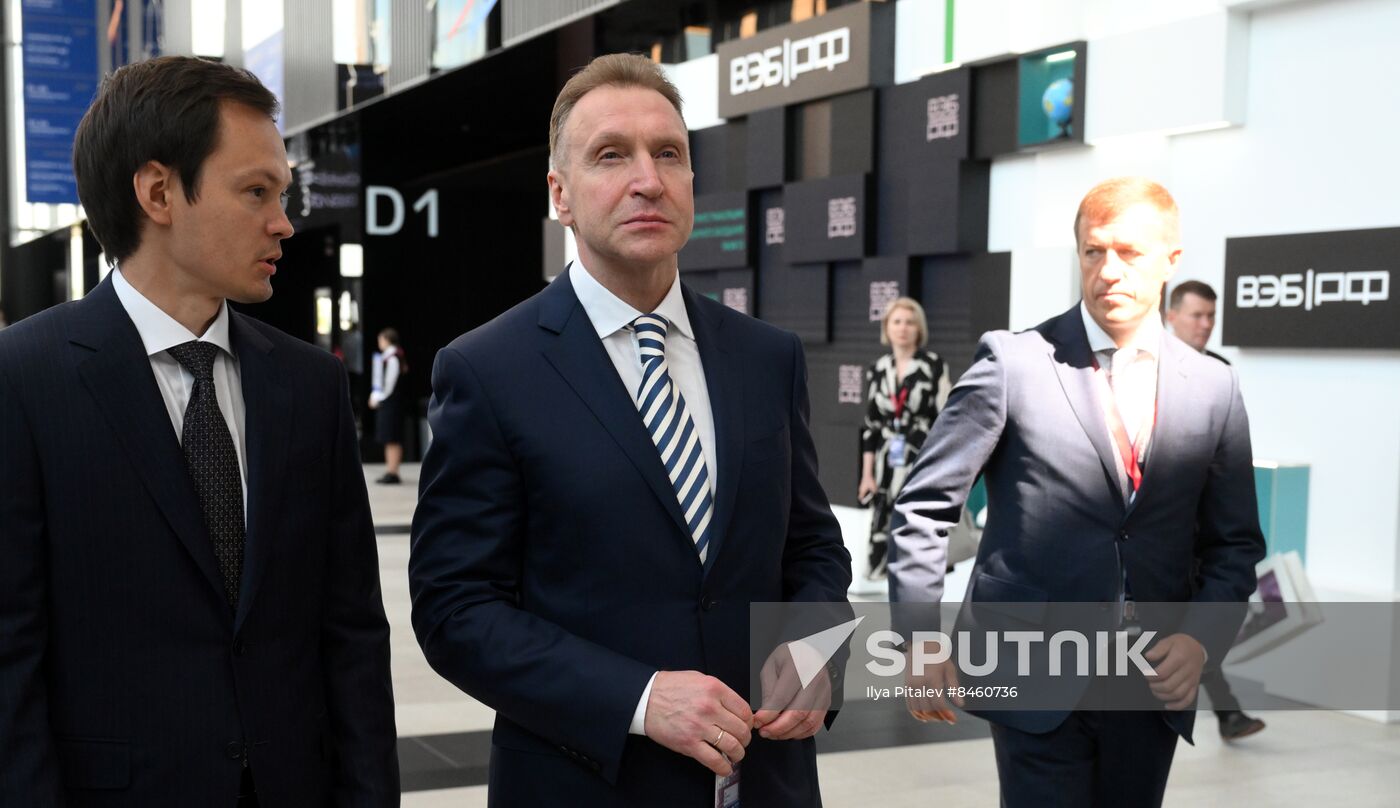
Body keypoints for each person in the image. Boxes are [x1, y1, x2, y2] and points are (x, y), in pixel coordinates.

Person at [408, 53, 851, 806]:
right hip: (585, 784)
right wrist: (639, 699)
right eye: (611, 155)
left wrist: (816, 647)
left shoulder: (765, 357)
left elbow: (810, 546)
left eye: (668, 154)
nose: (647, 178)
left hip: (769, 782)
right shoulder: (488, 370)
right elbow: (457, 610)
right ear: (561, 194)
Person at [0, 56, 398, 806]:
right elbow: (10, 657)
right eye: (256, 192)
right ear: (157, 192)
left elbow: (351, 636)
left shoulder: (309, 386)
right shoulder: (25, 378)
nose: (285, 222)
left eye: (284, 194)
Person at [889, 177, 1266, 807]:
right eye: (1094, 252)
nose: (1109, 270)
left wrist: (1201, 638)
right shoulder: (1013, 362)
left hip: (1150, 683)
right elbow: (925, 505)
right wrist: (920, 637)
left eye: (1130, 252)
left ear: (1172, 259)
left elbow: (1235, 543)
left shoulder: (1213, 389)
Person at [1167, 279, 1268, 741]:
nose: (1206, 325)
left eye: (1211, 316)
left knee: (1195, 626)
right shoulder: (1145, 370)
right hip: (1163, 535)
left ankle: (1227, 713)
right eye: (1196, 315)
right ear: (1172, 315)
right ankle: (1227, 713)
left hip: (1204, 534)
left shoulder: (1221, 373)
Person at [857, 297, 950, 580]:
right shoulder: (877, 368)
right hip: (886, 461)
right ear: (887, 327)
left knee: (916, 533)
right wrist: (867, 474)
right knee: (884, 528)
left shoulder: (934, 365)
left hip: (920, 458)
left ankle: (913, 592)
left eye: (910, 322)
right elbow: (871, 426)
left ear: (918, 329)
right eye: (897, 322)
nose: (903, 328)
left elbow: (946, 419)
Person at [369, 327, 407, 484]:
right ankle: (390, 470)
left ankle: (393, 472)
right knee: (389, 437)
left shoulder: (392, 358)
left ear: (387, 340)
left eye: (381, 339)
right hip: (389, 402)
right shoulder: (387, 357)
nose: (379, 342)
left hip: (391, 402)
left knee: (392, 437)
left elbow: (389, 384)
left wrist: (378, 398)